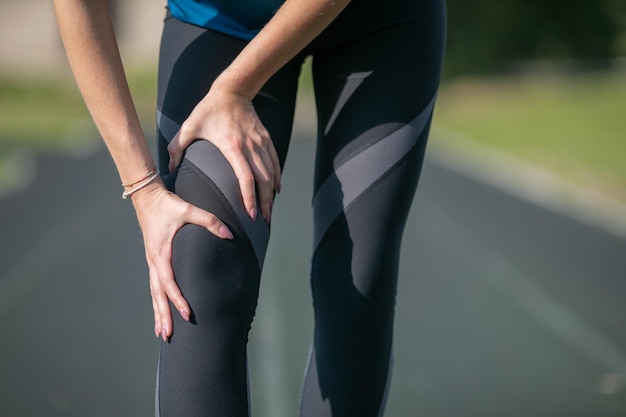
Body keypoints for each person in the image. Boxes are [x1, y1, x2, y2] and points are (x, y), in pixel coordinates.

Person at [53, 0, 446, 415]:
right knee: (199, 265)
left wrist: (235, 89)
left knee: (357, 280)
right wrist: (143, 189)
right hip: (223, 21)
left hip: (378, 21)